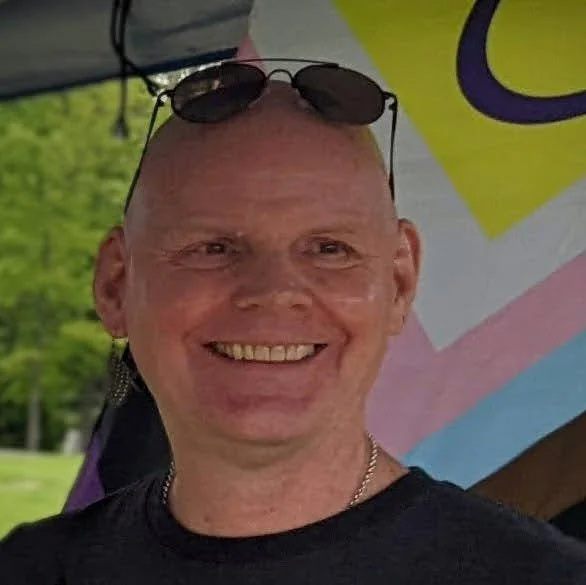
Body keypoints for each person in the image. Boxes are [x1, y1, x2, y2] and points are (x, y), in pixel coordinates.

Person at [2, 63, 586, 584]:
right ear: (115, 285)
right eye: (213, 248)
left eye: (329, 249)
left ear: (399, 284)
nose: (275, 292)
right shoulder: (31, 569)